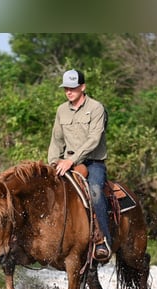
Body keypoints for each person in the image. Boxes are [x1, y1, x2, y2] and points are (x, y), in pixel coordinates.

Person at [47, 69, 112, 262]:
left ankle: (102, 241)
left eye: (73, 88)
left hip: (93, 163)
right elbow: (56, 139)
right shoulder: (61, 110)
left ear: (82, 87)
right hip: (65, 163)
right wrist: (53, 162)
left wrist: (71, 160)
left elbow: (94, 139)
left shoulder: (96, 108)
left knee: (95, 192)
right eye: (66, 88)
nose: (69, 92)